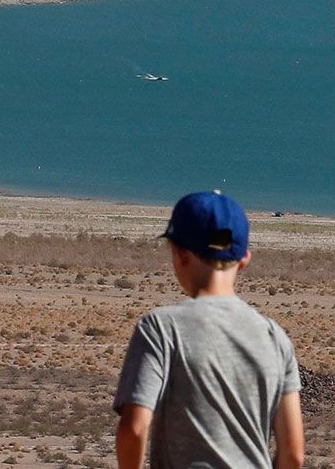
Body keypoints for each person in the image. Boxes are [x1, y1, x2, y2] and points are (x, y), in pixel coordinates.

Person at [112, 190, 305, 469]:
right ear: (244, 259)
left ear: (180, 254)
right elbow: (294, 454)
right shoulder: (274, 337)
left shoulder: (161, 328)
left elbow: (134, 429)